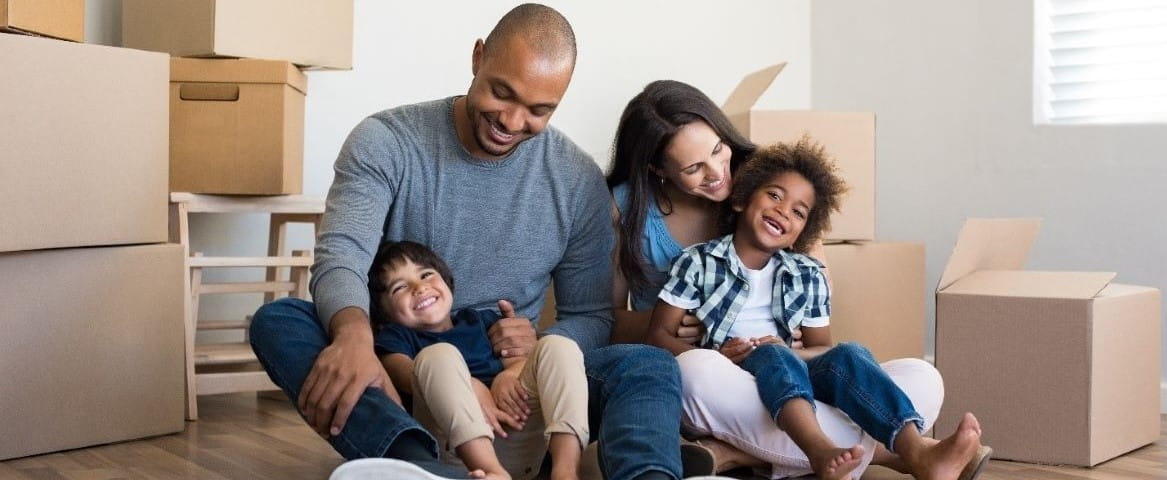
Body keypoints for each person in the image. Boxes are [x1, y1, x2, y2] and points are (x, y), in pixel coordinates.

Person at [250, 5, 691, 480]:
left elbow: (590, 315)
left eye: (539, 110)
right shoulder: (386, 141)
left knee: (647, 364)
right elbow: (342, 256)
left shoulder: (578, 180)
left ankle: (643, 475)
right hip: (407, 377)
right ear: (478, 57)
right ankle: (415, 459)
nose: (512, 121)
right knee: (281, 321)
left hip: (520, 395)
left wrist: (535, 349)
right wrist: (353, 336)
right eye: (502, 92)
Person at [606, 80, 990, 479]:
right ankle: (891, 454)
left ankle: (736, 454)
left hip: (792, 373)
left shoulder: (772, 185)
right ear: (658, 169)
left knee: (921, 377)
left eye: (718, 150)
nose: (719, 172)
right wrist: (691, 328)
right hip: (716, 376)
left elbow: (818, 333)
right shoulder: (661, 234)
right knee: (696, 371)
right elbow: (613, 322)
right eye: (693, 168)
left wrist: (798, 345)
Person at [367, 241, 588, 480]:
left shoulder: (478, 320)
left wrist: (509, 374)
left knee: (558, 345)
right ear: (383, 312)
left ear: (447, 281)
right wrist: (469, 385)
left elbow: (518, 359)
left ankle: (566, 470)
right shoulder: (396, 338)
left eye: (426, 275)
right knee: (437, 355)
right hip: (459, 450)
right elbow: (404, 373)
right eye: (399, 287)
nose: (419, 287)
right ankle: (493, 472)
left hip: (516, 429)